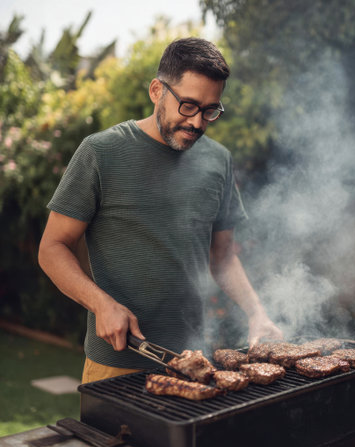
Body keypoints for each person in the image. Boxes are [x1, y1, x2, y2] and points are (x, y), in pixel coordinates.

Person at [38, 37, 282, 383]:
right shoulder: (101, 152)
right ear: (157, 90)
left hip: (194, 362)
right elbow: (52, 248)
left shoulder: (218, 161)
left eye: (210, 110)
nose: (198, 122)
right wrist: (101, 304)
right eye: (188, 105)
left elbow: (223, 255)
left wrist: (257, 313)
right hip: (116, 364)